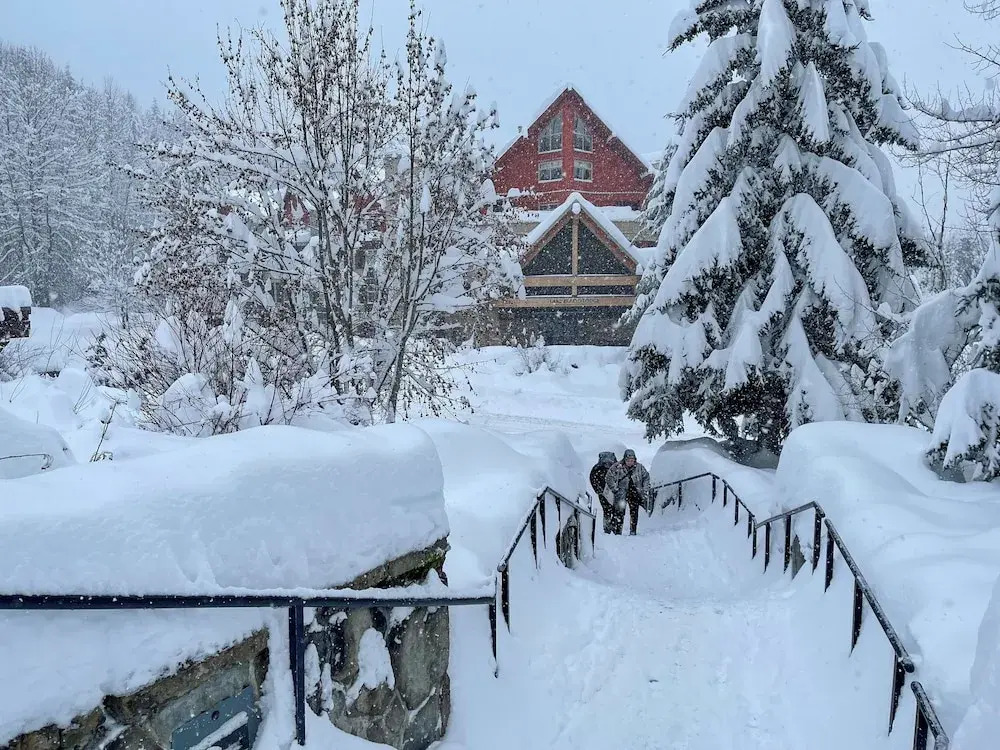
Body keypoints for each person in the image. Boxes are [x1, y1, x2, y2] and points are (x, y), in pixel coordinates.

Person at [608, 449, 651, 536]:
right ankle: (618, 531)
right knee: (619, 512)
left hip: (635, 493)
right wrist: (614, 488)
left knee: (634, 512)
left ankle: (633, 531)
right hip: (621, 493)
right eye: (628, 460)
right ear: (625, 459)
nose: (630, 462)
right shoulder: (617, 467)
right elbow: (609, 477)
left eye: (632, 460)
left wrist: (645, 489)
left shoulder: (640, 467)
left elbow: (646, 477)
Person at [589, 451, 620, 534]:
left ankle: (611, 527)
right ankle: (609, 527)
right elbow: (593, 479)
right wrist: (599, 490)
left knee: (611, 510)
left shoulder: (598, 468)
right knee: (608, 509)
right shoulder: (598, 469)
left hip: (612, 492)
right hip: (604, 493)